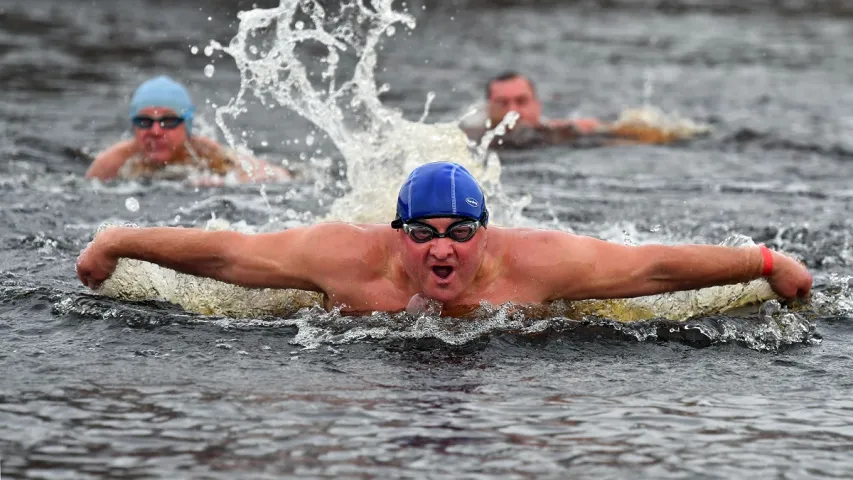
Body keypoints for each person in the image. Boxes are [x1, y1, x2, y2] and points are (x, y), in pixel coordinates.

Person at [76, 161, 812, 316]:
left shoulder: (536, 265)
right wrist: (120, 239)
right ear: (395, 236)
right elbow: (229, 253)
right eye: (423, 234)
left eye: (460, 233)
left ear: (482, 234)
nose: (442, 249)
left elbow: (649, 268)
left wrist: (765, 261)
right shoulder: (342, 257)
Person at [85, 76, 292, 184]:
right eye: (144, 121)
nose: (156, 131)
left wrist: (229, 182)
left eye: (168, 121)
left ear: (187, 126)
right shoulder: (113, 162)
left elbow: (277, 175)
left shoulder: (204, 152)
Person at [463, 71, 680, 148]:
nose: (514, 111)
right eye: (503, 103)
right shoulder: (470, 137)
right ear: (488, 108)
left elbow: (619, 131)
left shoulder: (562, 130)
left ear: (537, 105)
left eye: (522, 102)